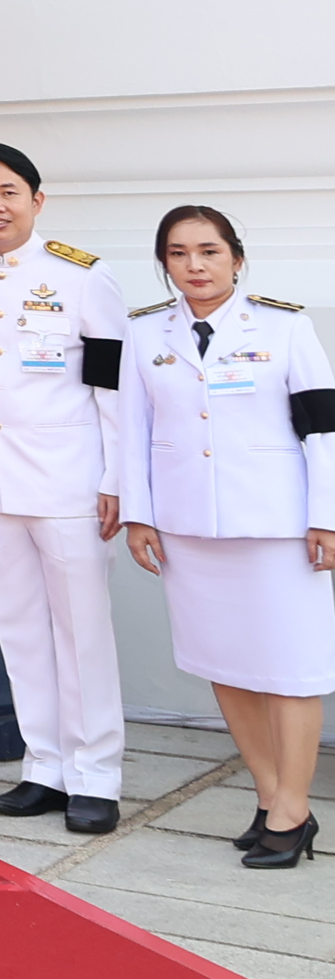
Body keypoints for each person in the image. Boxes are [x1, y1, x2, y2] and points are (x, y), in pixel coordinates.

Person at [118, 204, 333, 871]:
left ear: (236, 257)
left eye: (208, 251)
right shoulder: (146, 333)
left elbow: (323, 427)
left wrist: (327, 514)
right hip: (190, 527)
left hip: (277, 527)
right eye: (179, 253)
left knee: (290, 670)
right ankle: (273, 797)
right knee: (226, 665)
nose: (195, 266)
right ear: (165, 263)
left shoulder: (285, 326)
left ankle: (293, 808)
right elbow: (132, 431)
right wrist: (138, 512)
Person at [0, 139, 130, 835]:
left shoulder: (82, 276)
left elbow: (112, 388)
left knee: (82, 633)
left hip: (69, 484)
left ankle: (96, 776)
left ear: (36, 200)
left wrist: (118, 479)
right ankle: (44, 765)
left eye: (8, 192)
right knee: (18, 631)